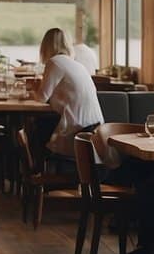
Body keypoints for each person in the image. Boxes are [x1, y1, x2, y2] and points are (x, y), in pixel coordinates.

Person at [34, 27, 104, 158]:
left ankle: (36, 172)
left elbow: (41, 99)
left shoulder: (55, 62)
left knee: (34, 127)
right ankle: (40, 171)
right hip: (95, 128)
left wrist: (33, 90)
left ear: (45, 46)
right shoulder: (76, 64)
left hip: (77, 131)